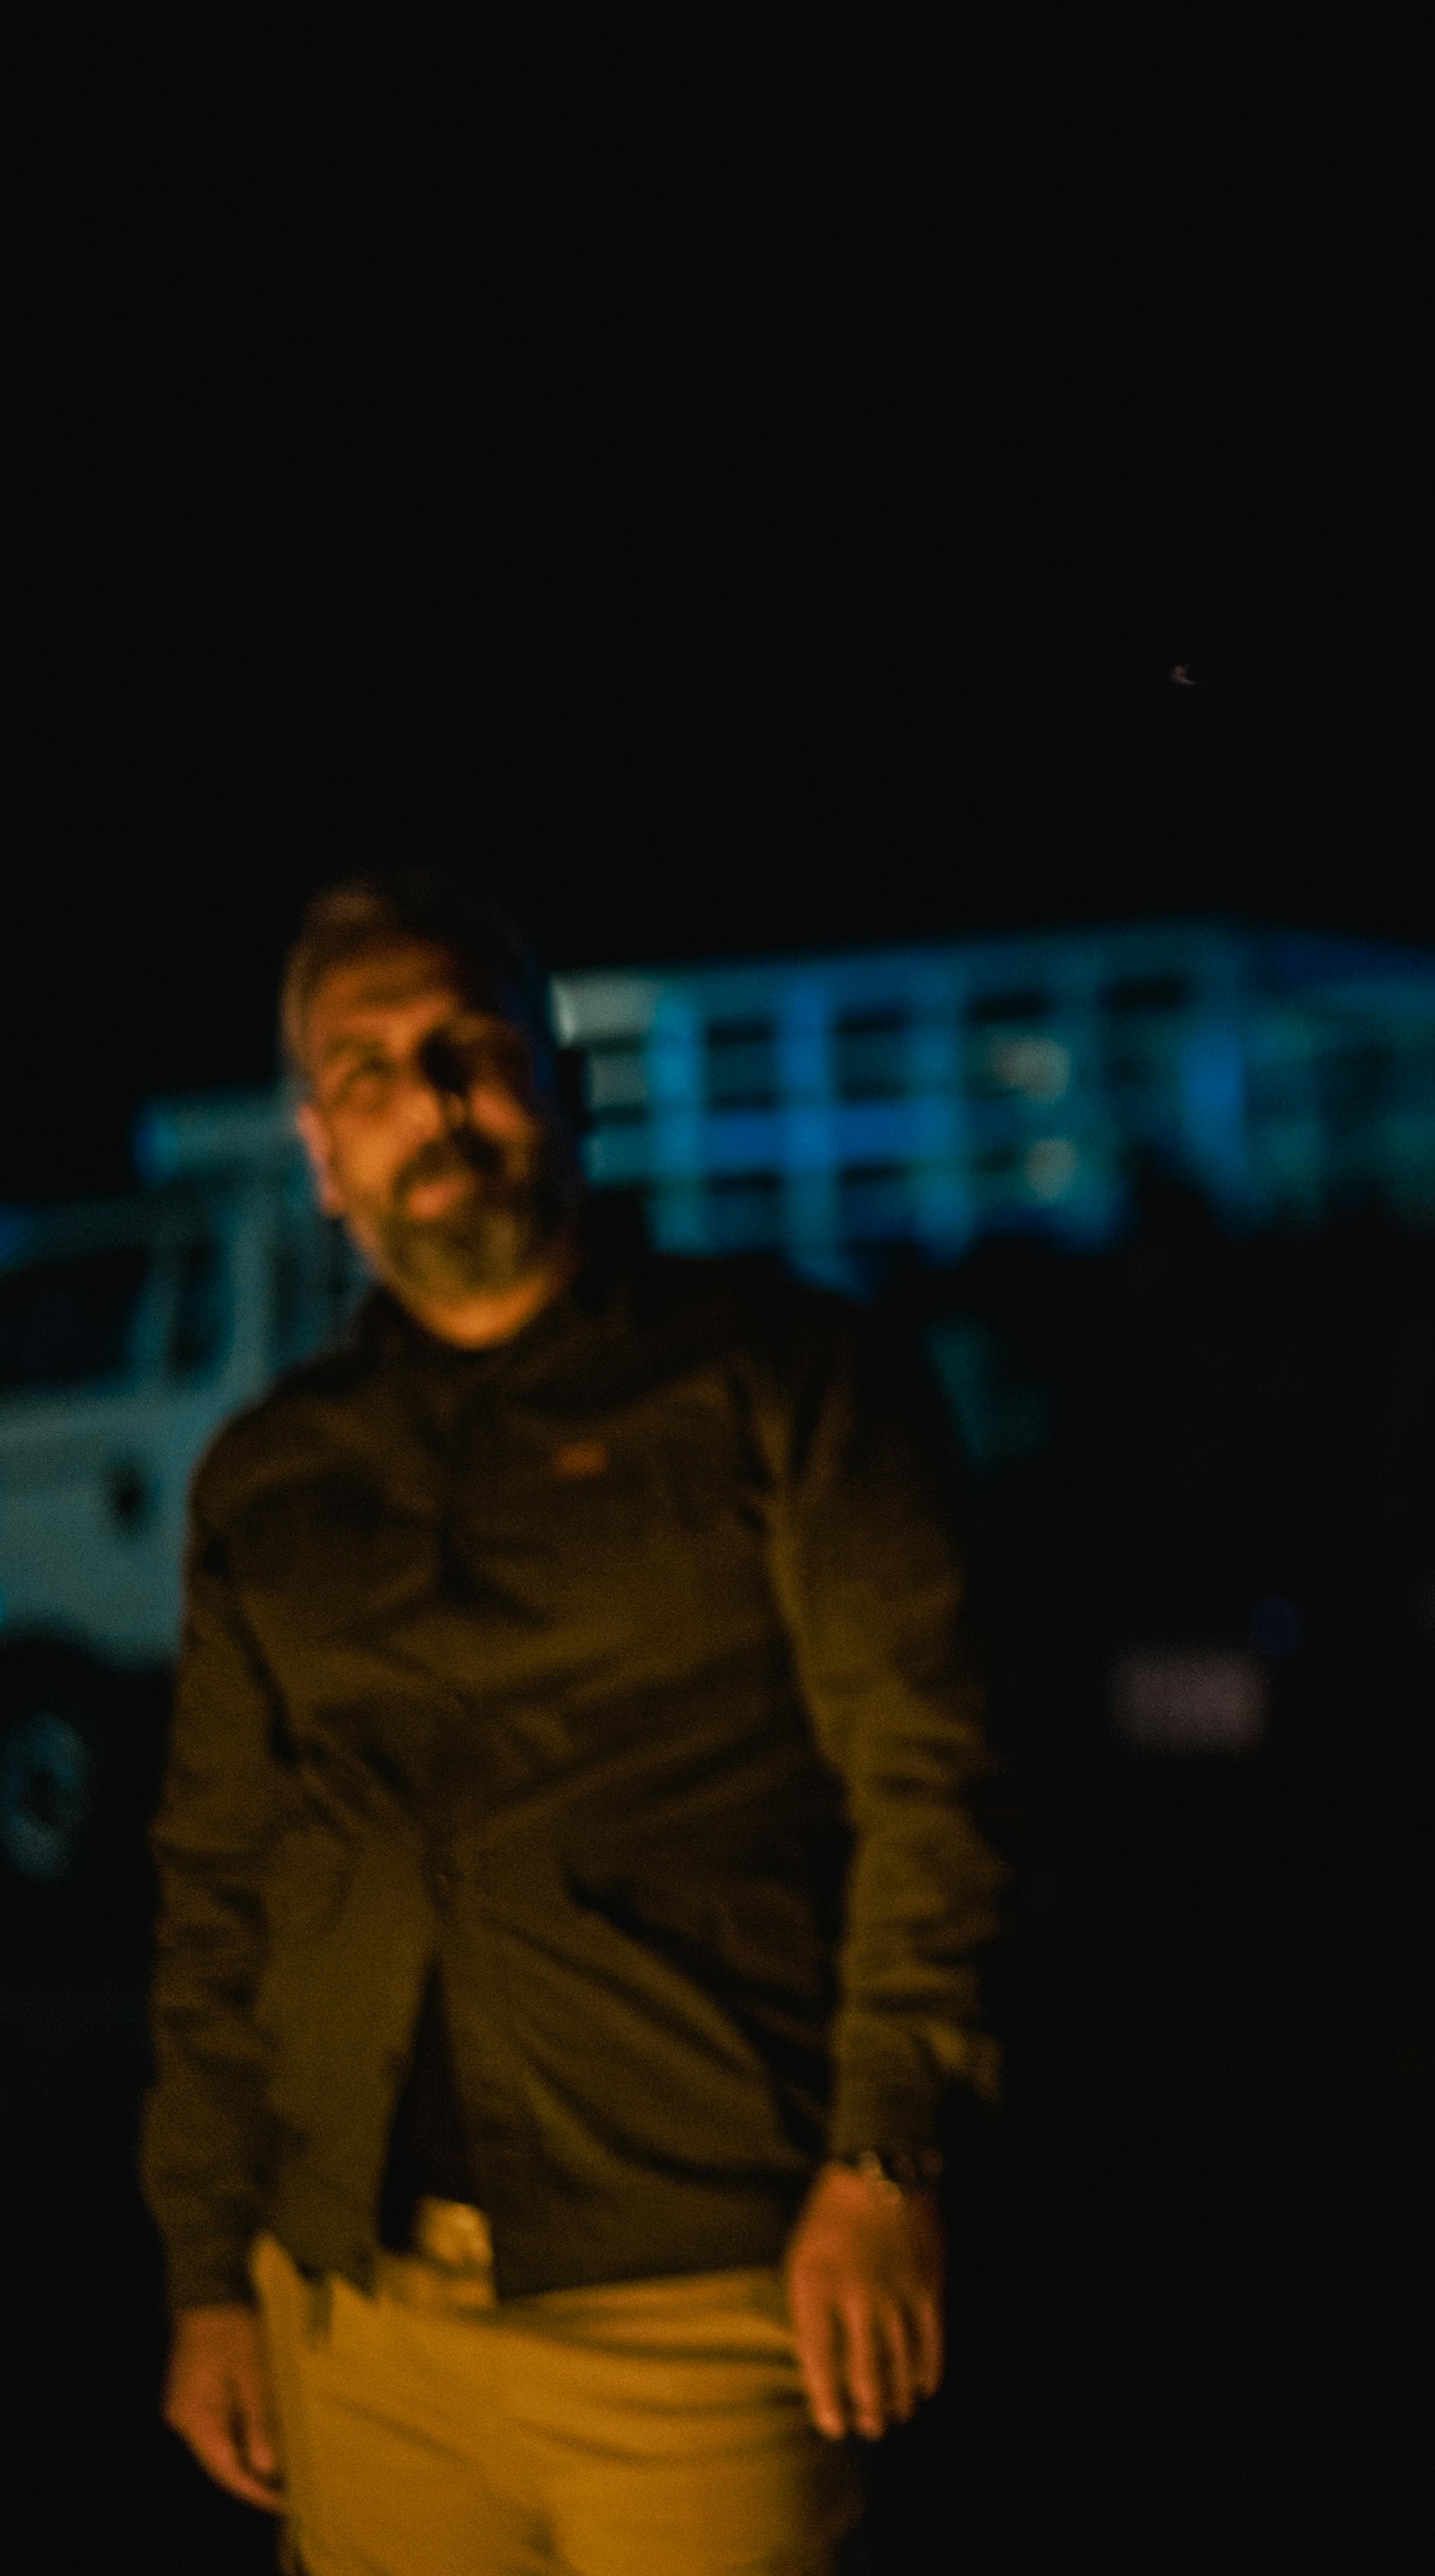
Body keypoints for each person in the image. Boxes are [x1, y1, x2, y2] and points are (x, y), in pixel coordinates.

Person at [147, 873, 1005, 2573]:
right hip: (353, 2306)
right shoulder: (273, 1475)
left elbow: (934, 1780)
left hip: (706, 2281)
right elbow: (218, 1883)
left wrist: (888, 2155)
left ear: (561, 1085)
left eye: (470, 1049)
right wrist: (207, 2276)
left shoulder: (788, 1384)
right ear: (322, 1148)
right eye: (372, 1074)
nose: (434, 1106)